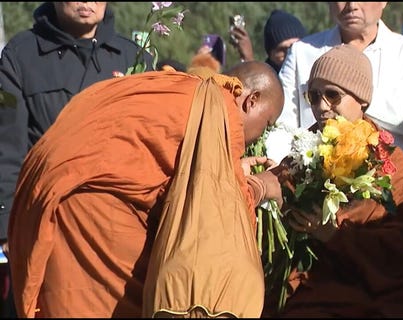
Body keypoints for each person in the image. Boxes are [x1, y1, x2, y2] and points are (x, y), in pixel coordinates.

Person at [8, 61, 285, 318]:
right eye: (267, 124)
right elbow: (214, 220)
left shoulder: (184, 87)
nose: (259, 137)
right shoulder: (216, 110)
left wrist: (231, 171)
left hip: (61, 195)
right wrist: (261, 186)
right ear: (251, 101)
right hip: (92, 217)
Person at [262, 44, 403, 318]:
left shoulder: (391, 162)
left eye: (333, 95)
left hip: (383, 287)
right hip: (315, 289)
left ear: (362, 100)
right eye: (314, 96)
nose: (321, 107)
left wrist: (336, 235)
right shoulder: (301, 152)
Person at [0, 2, 153, 316]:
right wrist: (6, 228)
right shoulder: (21, 56)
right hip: (46, 225)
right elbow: (7, 147)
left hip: (116, 235)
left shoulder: (134, 58)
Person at [276, 2, 403, 185]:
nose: (351, 5)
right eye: (315, 96)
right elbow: (281, 129)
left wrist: (358, 99)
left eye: (331, 95)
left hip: (398, 199)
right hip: (319, 199)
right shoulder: (302, 52)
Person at [229, 9, 307, 73]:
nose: (290, 54)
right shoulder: (268, 77)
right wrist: (249, 62)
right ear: (270, 55)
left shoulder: (314, 74)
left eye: (295, 47)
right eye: (282, 50)